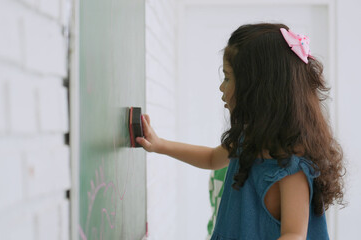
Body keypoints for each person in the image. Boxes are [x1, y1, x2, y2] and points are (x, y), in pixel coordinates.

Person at [136, 23, 345, 240]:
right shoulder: (248, 139)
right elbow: (210, 158)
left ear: (257, 89)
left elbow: (294, 235)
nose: (221, 87)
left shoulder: (293, 168)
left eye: (227, 77)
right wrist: (159, 145)